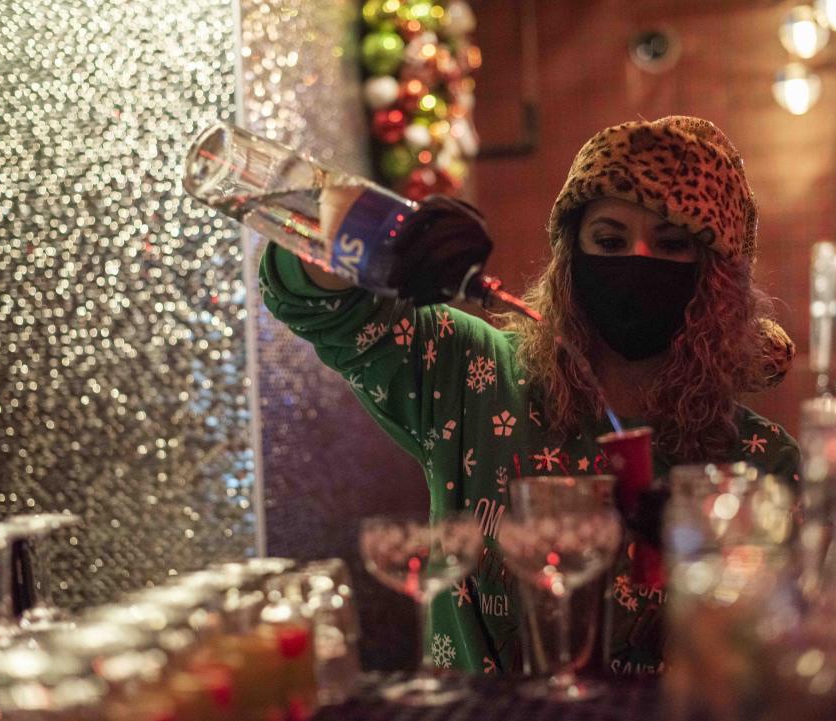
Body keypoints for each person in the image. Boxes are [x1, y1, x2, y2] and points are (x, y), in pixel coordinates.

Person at [259, 116, 800, 676]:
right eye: (609, 240)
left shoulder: (759, 463)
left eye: (670, 244)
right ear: (570, 257)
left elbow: (781, 662)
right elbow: (321, 305)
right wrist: (382, 242)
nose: (636, 261)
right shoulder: (477, 376)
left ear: (714, 277)